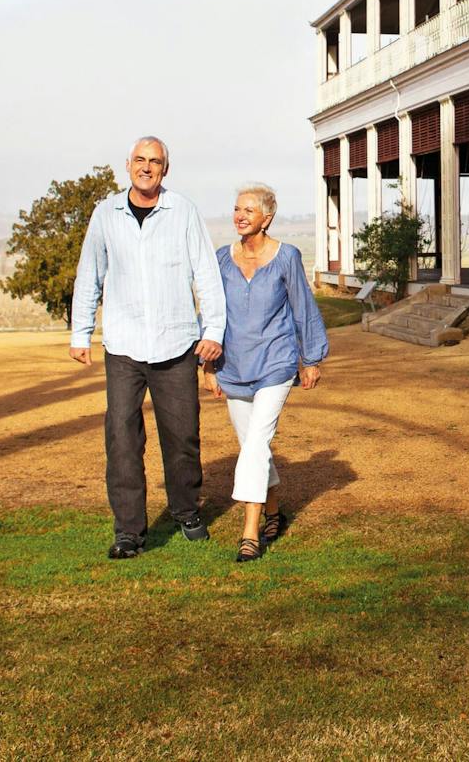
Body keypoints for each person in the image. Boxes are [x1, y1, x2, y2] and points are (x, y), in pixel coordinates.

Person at [69, 136, 225, 559]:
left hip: (176, 343)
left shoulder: (183, 212)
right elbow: (90, 275)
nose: (147, 167)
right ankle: (129, 532)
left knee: (183, 436)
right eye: (140, 160)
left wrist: (213, 331)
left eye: (155, 161)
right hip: (123, 345)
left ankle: (186, 510)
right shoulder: (106, 214)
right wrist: (80, 332)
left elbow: (206, 275)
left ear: (165, 169)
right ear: (127, 165)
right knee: (121, 438)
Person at [206, 182, 329, 563]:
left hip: (275, 363)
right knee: (252, 447)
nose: (240, 216)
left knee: (257, 442)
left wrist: (311, 358)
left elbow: (303, 308)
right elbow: (211, 314)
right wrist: (207, 364)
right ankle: (275, 510)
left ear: (267, 218)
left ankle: (249, 534)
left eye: (249, 210)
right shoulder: (221, 259)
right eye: (237, 208)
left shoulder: (287, 257)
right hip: (233, 366)